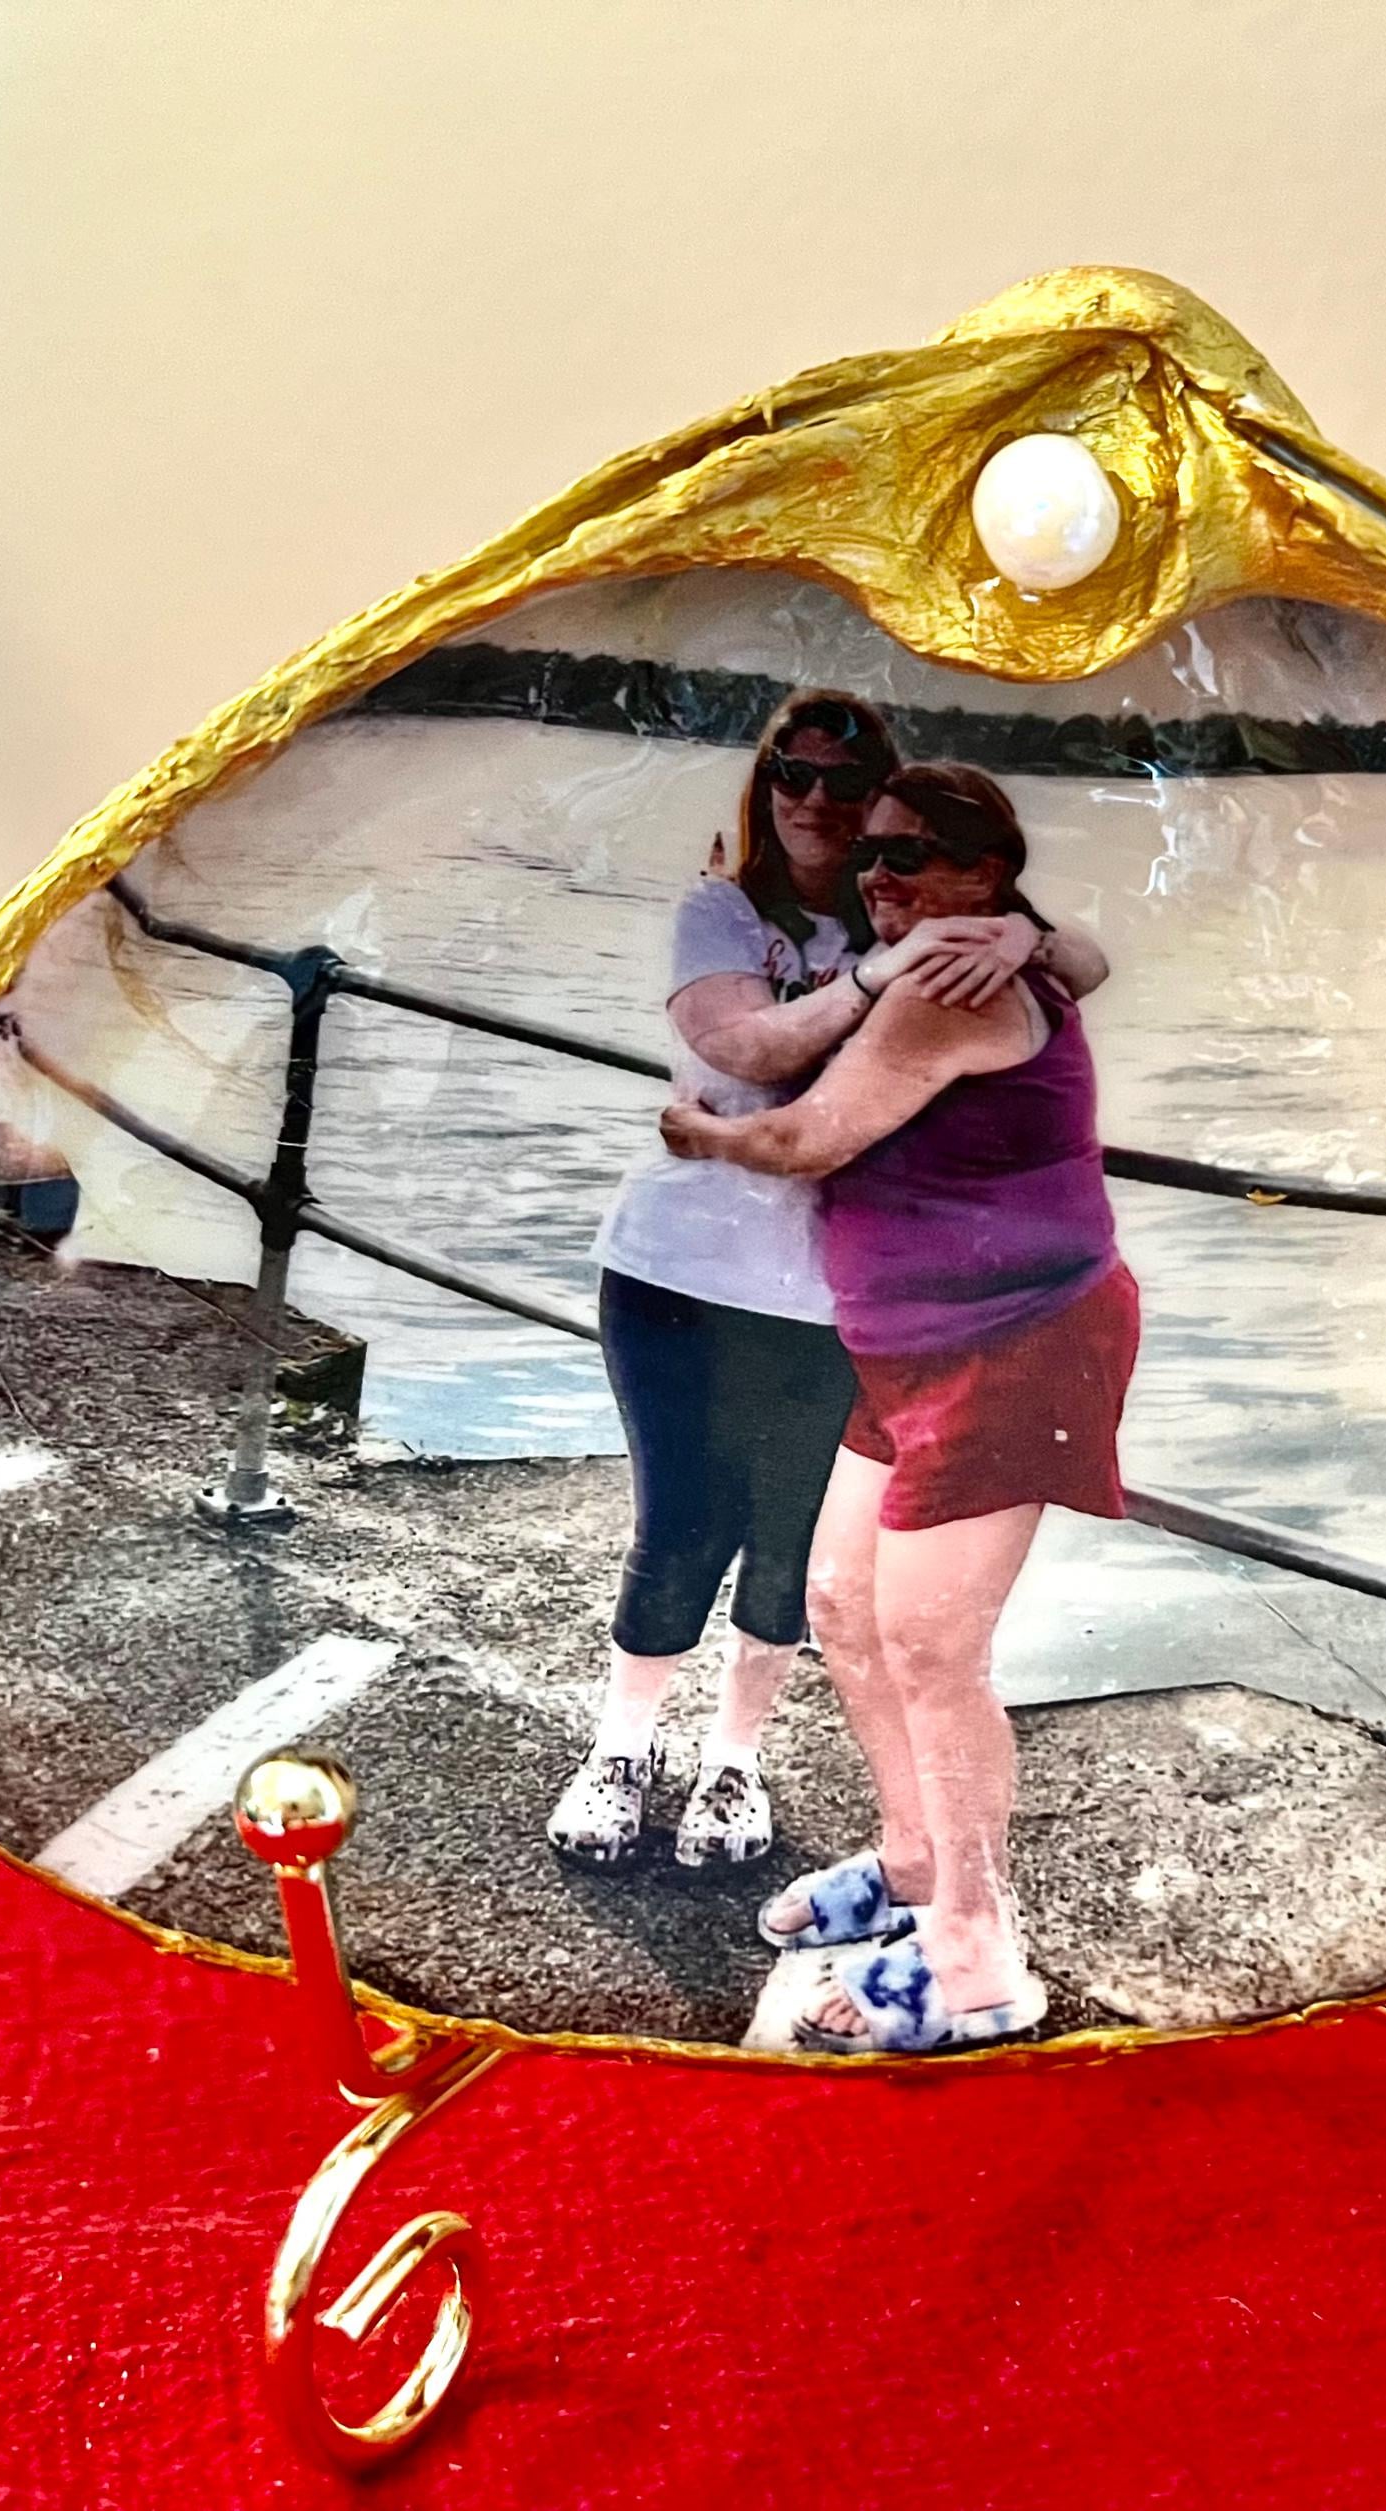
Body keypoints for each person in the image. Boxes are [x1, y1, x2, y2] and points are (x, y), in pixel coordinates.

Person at [553, 703, 1109, 1870]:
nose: (817, 802)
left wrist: (1022, 934)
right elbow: (742, 1050)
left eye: (848, 786)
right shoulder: (727, 912)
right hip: (680, 1273)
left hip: (828, 1298)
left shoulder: (912, 915)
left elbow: (1086, 960)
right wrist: (880, 970)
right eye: (791, 774)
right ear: (765, 785)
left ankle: (734, 1760)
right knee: (678, 1525)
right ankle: (621, 1748)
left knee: (792, 1546)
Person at [657, 763, 1136, 2051]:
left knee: (930, 1646)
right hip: (909, 1344)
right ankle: (915, 1861)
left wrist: (700, 1134)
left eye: (914, 856)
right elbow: (1083, 957)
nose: (880, 874)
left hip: (1017, 1342)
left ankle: (975, 1957)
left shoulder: (946, 987)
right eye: (871, 854)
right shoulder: (960, 956)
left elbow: (804, 1139)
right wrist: (1037, 936)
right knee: (840, 1604)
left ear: (988, 872)